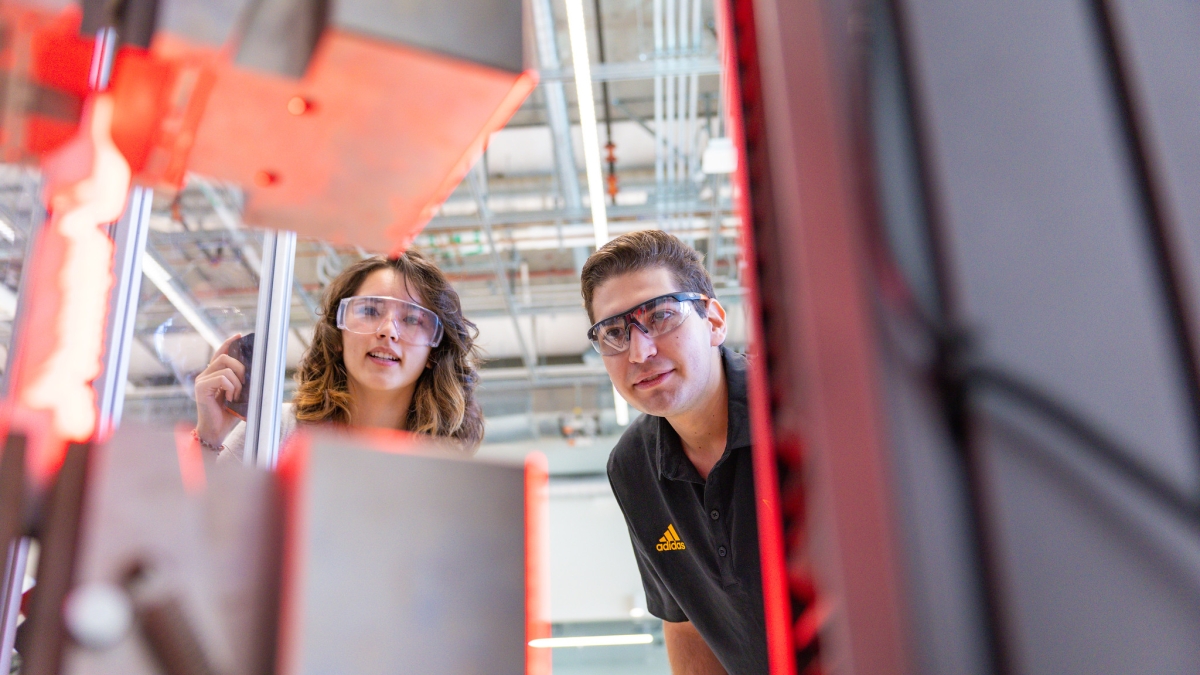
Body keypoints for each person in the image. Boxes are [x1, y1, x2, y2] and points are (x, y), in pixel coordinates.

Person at [581, 230, 765, 674]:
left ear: (715, 321)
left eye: (662, 316)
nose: (640, 351)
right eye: (613, 333)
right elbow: (683, 622)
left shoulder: (793, 408)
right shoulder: (632, 467)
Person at [193, 252, 484, 460]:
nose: (388, 332)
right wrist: (210, 437)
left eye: (412, 320)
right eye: (370, 311)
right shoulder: (276, 430)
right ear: (337, 338)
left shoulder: (444, 466)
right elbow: (207, 531)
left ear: (435, 350)